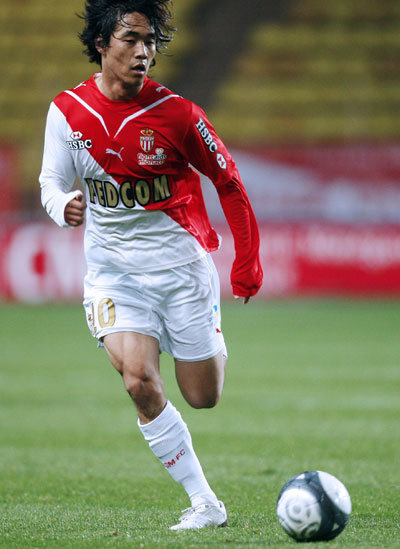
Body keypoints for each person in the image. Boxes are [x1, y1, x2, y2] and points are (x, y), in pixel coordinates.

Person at [39, 0, 263, 531]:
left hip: (181, 271)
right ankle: (205, 503)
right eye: (132, 39)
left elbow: (228, 182)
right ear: (101, 44)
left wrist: (247, 263)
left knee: (202, 396)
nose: (144, 51)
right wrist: (60, 205)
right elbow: (51, 180)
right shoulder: (67, 112)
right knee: (139, 381)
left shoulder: (179, 115)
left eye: (151, 41)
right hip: (114, 274)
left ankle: (204, 336)